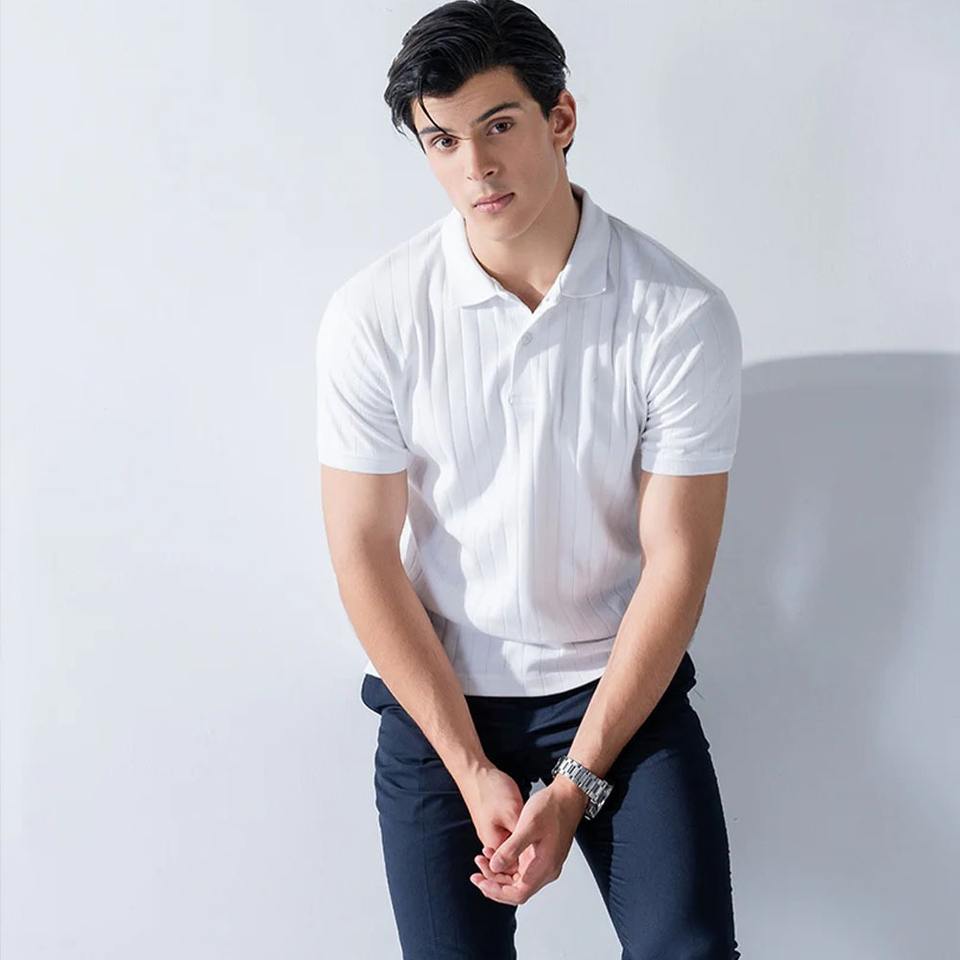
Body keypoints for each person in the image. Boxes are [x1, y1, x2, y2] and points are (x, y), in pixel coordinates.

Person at [316, 1, 743, 957]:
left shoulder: (678, 316)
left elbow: (678, 563)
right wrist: (471, 768)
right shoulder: (373, 314)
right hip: (440, 698)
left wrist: (577, 782)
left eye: (499, 125)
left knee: (690, 950)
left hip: (614, 691)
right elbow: (362, 550)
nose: (475, 166)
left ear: (561, 118)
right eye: (442, 140)